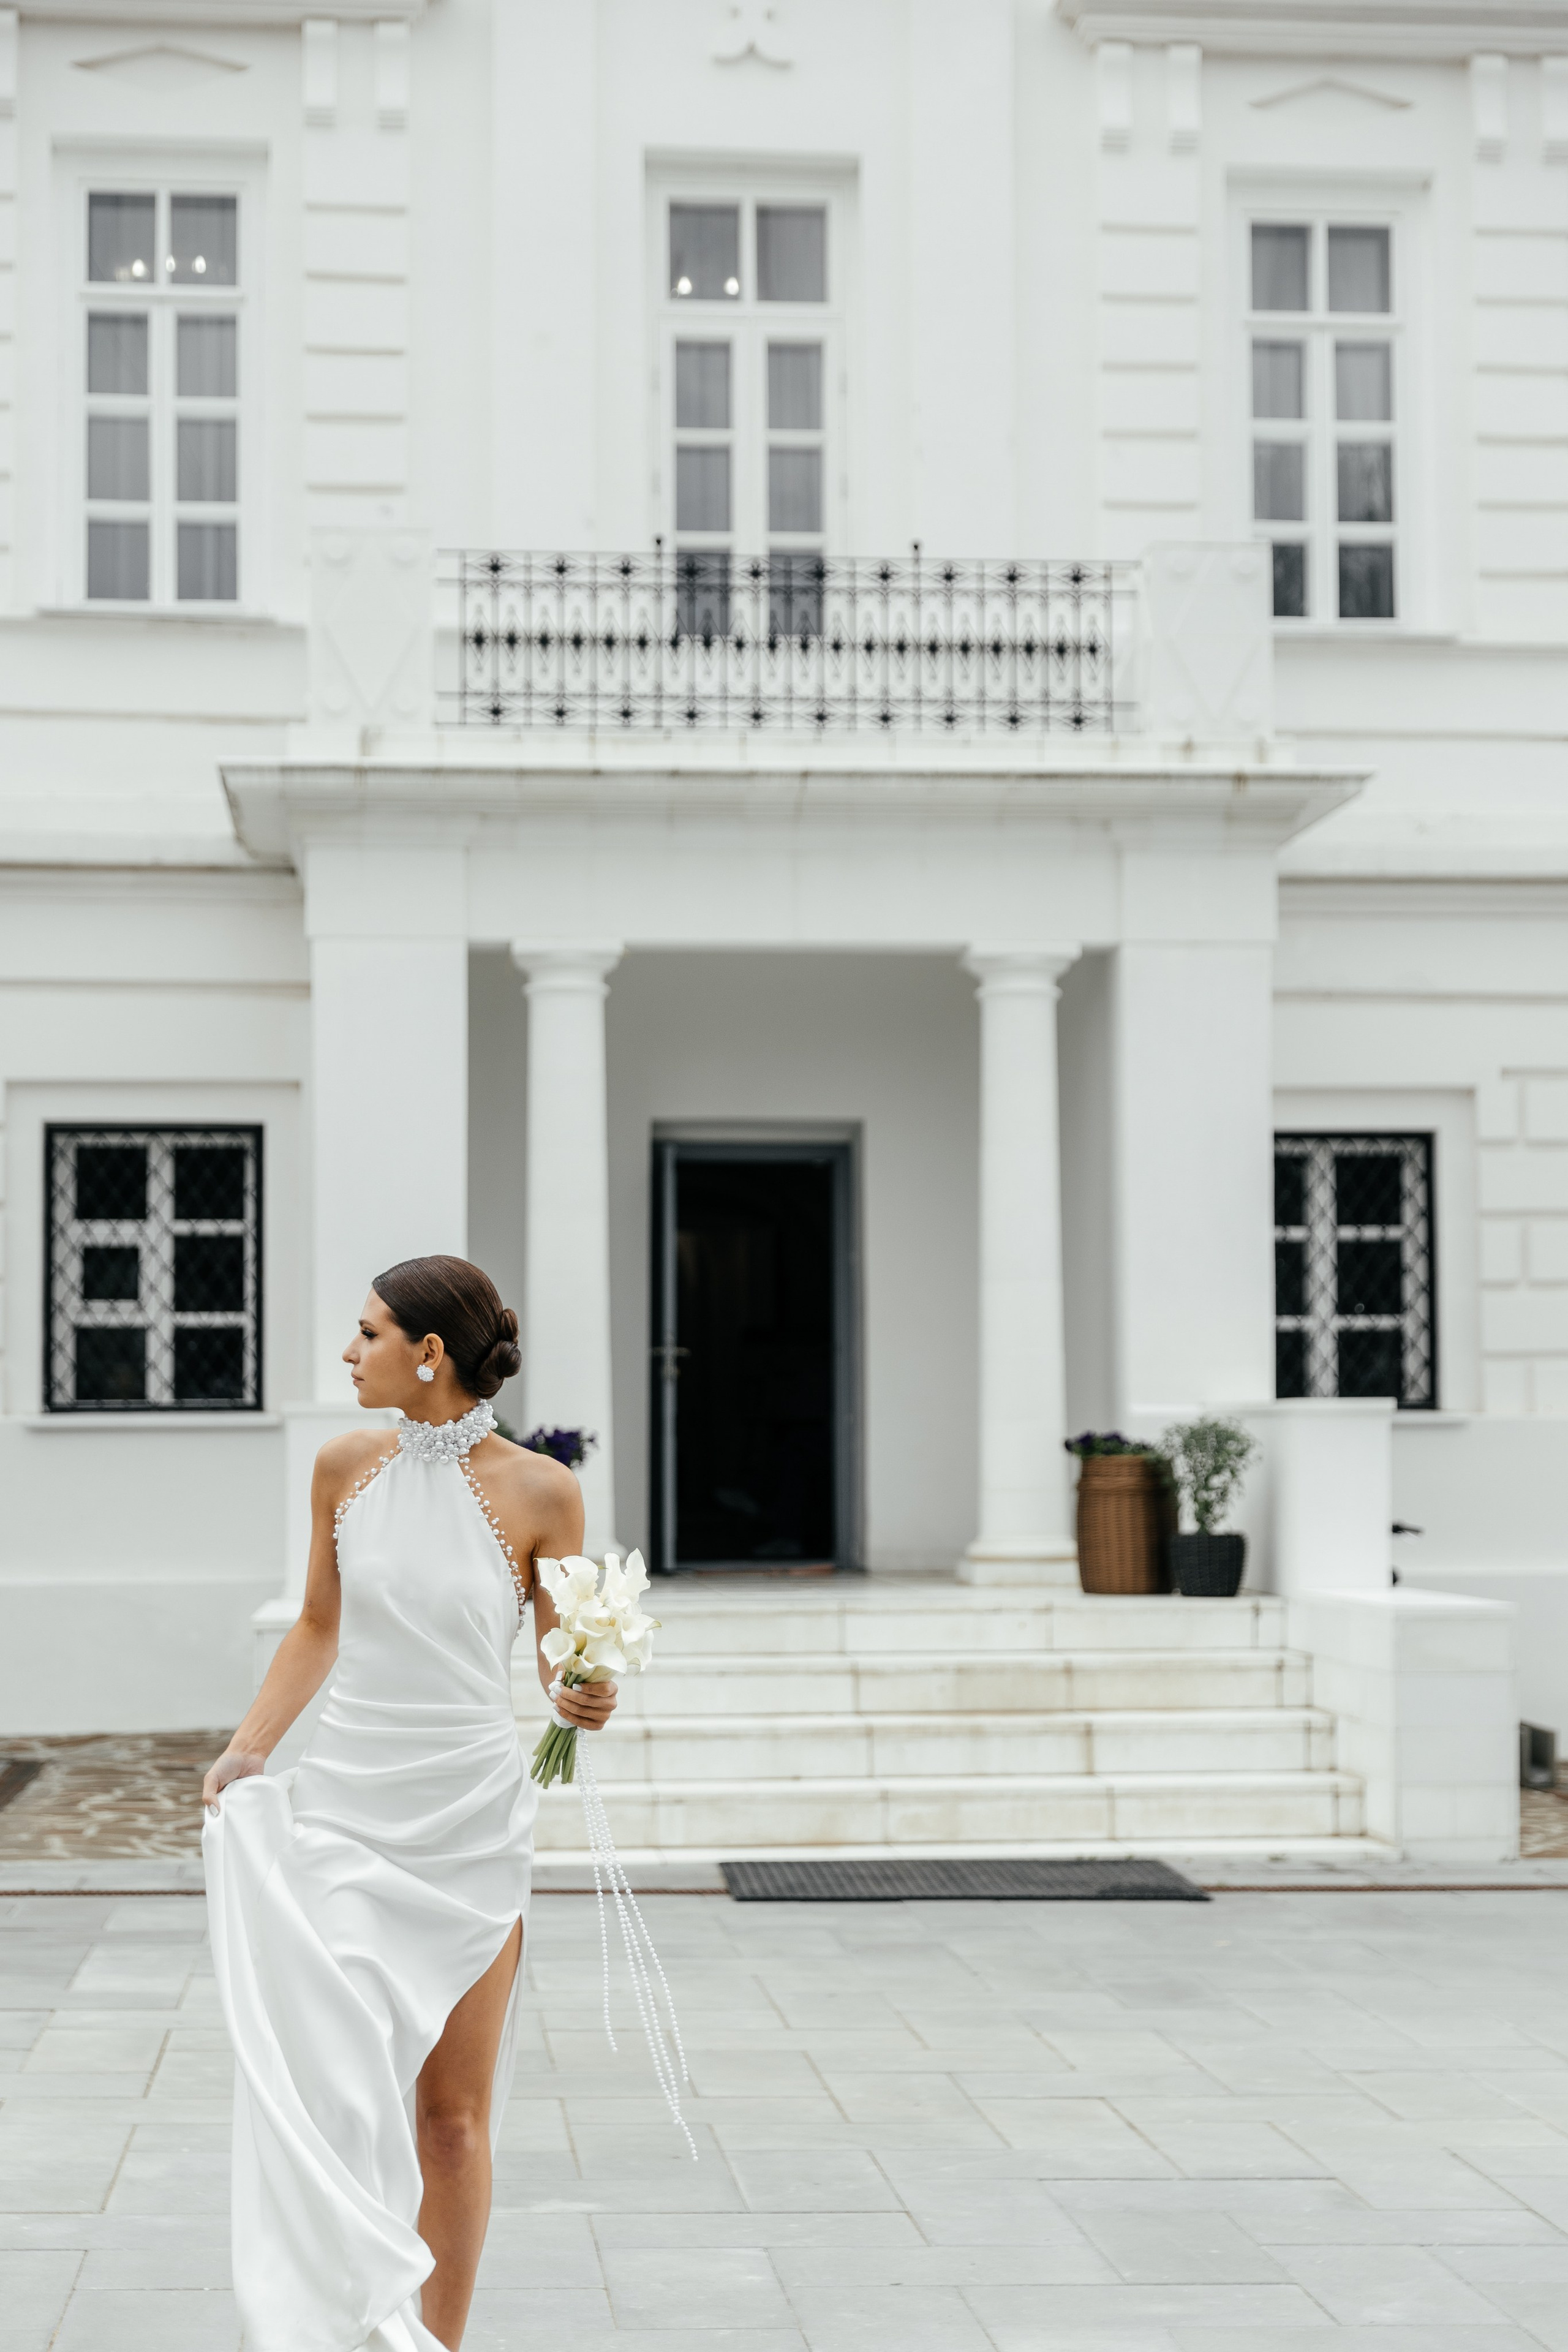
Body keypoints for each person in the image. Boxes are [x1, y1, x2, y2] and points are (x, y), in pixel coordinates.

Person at [201, 1255, 617, 2352]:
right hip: (347, 1810)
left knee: (450, 2121)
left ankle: (440, 2344)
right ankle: (336, 2313)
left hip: (474, 1821)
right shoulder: (343, 1468)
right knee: (340, 2091)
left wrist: (584, 1694)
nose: (349, 1353)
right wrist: (249, 1751)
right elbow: (318, 1627)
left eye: (369, 1332)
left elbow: (555, 1658)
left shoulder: (544, 1491)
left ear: (429, 1353)